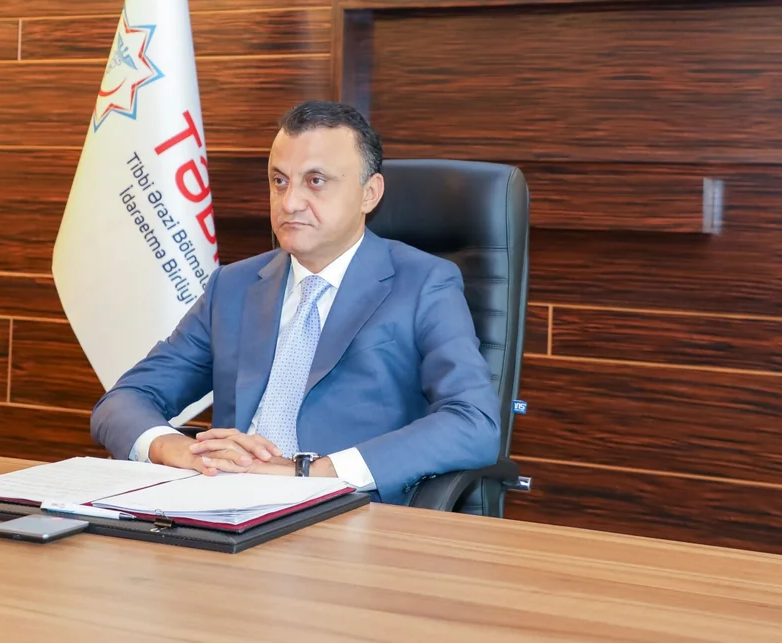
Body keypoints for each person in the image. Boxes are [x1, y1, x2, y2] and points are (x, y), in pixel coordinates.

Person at [90, 101, 500, 505]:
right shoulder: (232, 286)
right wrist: (178, 449)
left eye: (315, 181)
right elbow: (124, 401)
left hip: (346, 516)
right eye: (279, 181)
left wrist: (311, 473)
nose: (289, 203)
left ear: (369, 193)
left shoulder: (424, 283)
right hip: (224, 508)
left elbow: (474, 422)